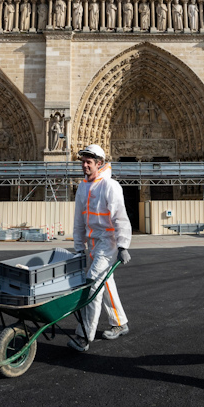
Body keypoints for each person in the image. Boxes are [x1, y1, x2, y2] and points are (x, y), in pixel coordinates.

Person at [69, 143, 132, 351]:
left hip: (108, 243)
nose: (84, 165)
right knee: (105, 282)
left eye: (88, 162)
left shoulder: (110, 186)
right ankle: (119, 322)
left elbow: (120, 218)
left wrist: (123, 245)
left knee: (92, 284)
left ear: (99, 163)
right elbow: (79, 221)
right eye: (83, 162)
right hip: (94, 244)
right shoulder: (82, 187)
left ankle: (83, 336)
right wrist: (79, 247)